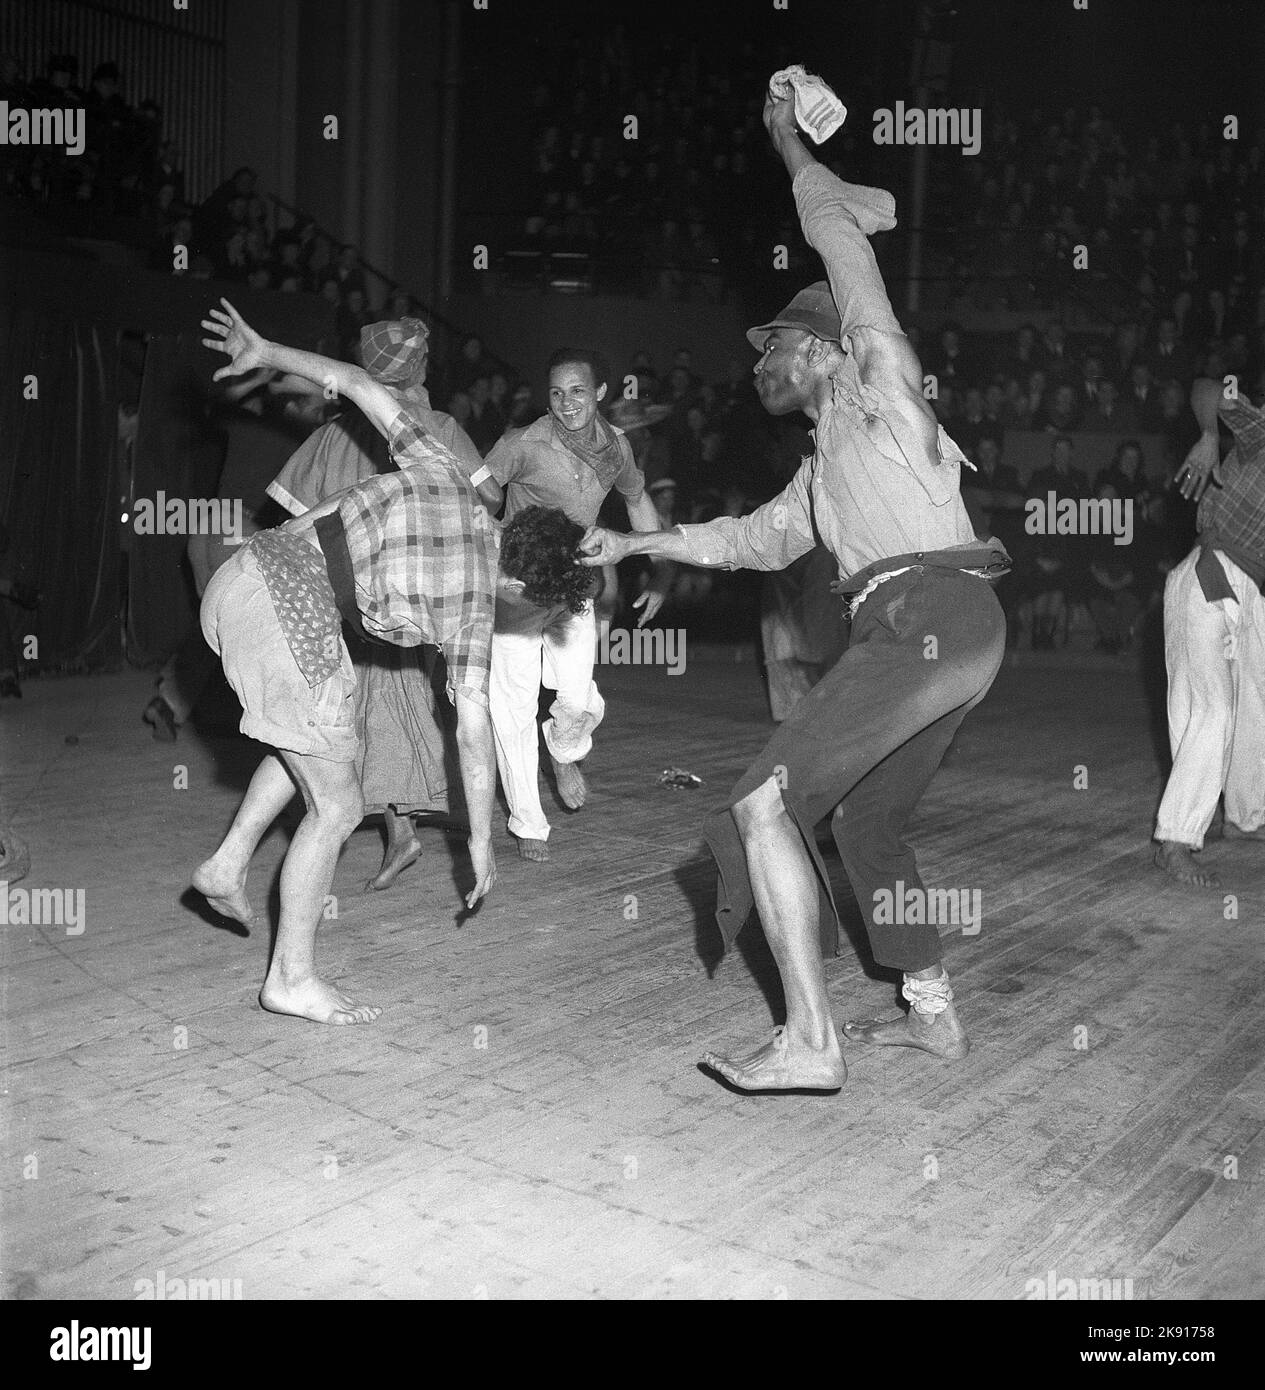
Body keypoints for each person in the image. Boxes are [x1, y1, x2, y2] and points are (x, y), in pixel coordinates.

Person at [582, 87, 1009, 1091]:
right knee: (864, 822)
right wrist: (629, 545)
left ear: (825, 347)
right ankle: (930, 1013)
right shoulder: (818, 477)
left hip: (929, 616)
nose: (761, 360)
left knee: (760, 805)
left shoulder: (885, 399)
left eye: (774, 342)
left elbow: (846, 264)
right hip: (950, 633)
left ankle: (810, 1043)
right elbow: (743, 540)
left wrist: (786, 142)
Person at [192, 299, 498, 1024]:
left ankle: (228, 861)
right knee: (337, 803)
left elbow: (357, 388)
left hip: (248, 581)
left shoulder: (437, 459)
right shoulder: (478, 604)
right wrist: (481, 841)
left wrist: (266, 350)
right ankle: (290, 979)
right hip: (291, 611)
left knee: (322, 741)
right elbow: (475, 738)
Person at [265, 316, 499, 890]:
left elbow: (293, 517)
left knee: (340, 727)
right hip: (413, 617)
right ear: (419, 367)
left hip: (333, 611)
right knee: (398, 719)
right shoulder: (438, 428)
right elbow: (491, 495)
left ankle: (381, 837)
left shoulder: (332, 433)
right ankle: (396, 835)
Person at [481, 349, 671, 862]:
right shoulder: (521, 444)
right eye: (557, 393)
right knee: (512, 706)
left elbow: (636, 501)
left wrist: (659, 565)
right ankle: (528, 823)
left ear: (601, 393)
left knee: (577, 696)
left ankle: (564, 750)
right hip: (514, 590)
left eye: (578, 391)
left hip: (575, 587)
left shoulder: (617, 447)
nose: (567, 404)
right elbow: (474, 495)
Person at [1153, 377, 1265, 887]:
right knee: (1212, 707)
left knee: (1255, 712)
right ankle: (1175, 839)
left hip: (1254, 598)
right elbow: (1205, 387)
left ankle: (1245, 818)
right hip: (1208, 579)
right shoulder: (1260, 435)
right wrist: (1209, 435)